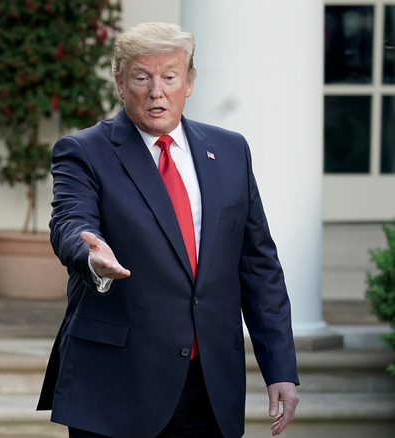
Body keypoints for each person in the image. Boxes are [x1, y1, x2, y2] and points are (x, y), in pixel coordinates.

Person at [37, 22, 299, 438]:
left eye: (170, 77)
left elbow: (258, 267)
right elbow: (70, 220)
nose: (156, 91)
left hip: (209, 385)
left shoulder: (231, 150)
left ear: (189, 82)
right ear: (121, 84)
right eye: (141, 78)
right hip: (116, 384)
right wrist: (89, 253)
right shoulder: (84, 151)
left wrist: (280, 367)